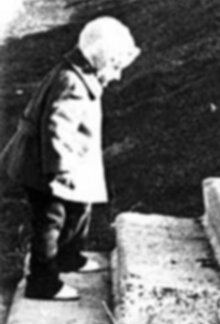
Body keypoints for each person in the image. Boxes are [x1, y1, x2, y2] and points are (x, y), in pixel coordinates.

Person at [0, 16, 140, 300]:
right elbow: (57, 127)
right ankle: (42, 282)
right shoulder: (71, 83)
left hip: (63, 161)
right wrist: (60, 170)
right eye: (114, 67)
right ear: (98, 58)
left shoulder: (80, 74)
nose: (117, 76)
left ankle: (69, 256)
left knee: (79, 207)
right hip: (45, 166)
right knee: (50, 221)